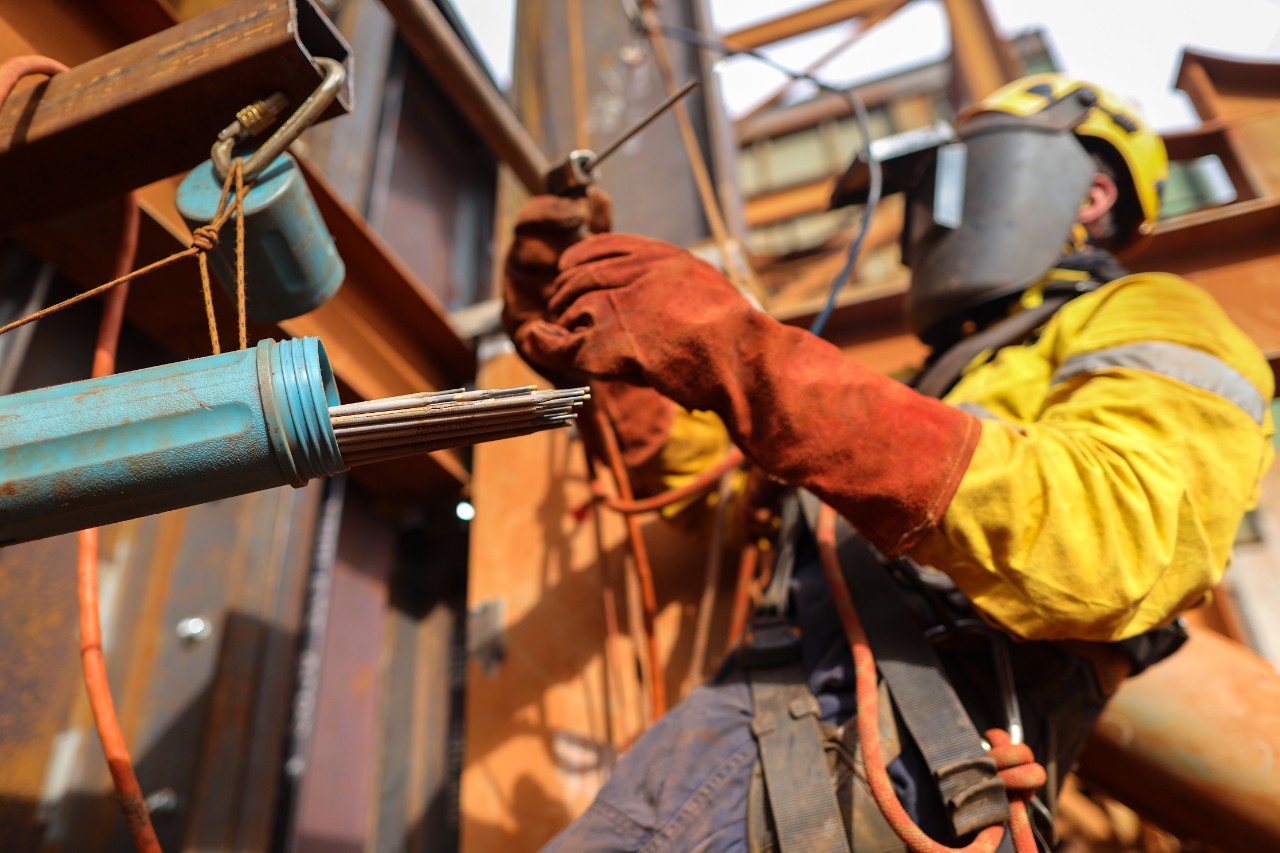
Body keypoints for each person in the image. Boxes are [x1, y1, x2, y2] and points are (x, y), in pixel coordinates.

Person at [501, 74, 1275, 851]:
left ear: (1091, 196)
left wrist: (746, 353)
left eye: (955, 180)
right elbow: (723, 493)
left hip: (896, 760)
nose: (923, 227)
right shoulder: (946, 383)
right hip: (756, 729)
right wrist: (611, 362)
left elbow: (1115, 535)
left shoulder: (1154, 313)